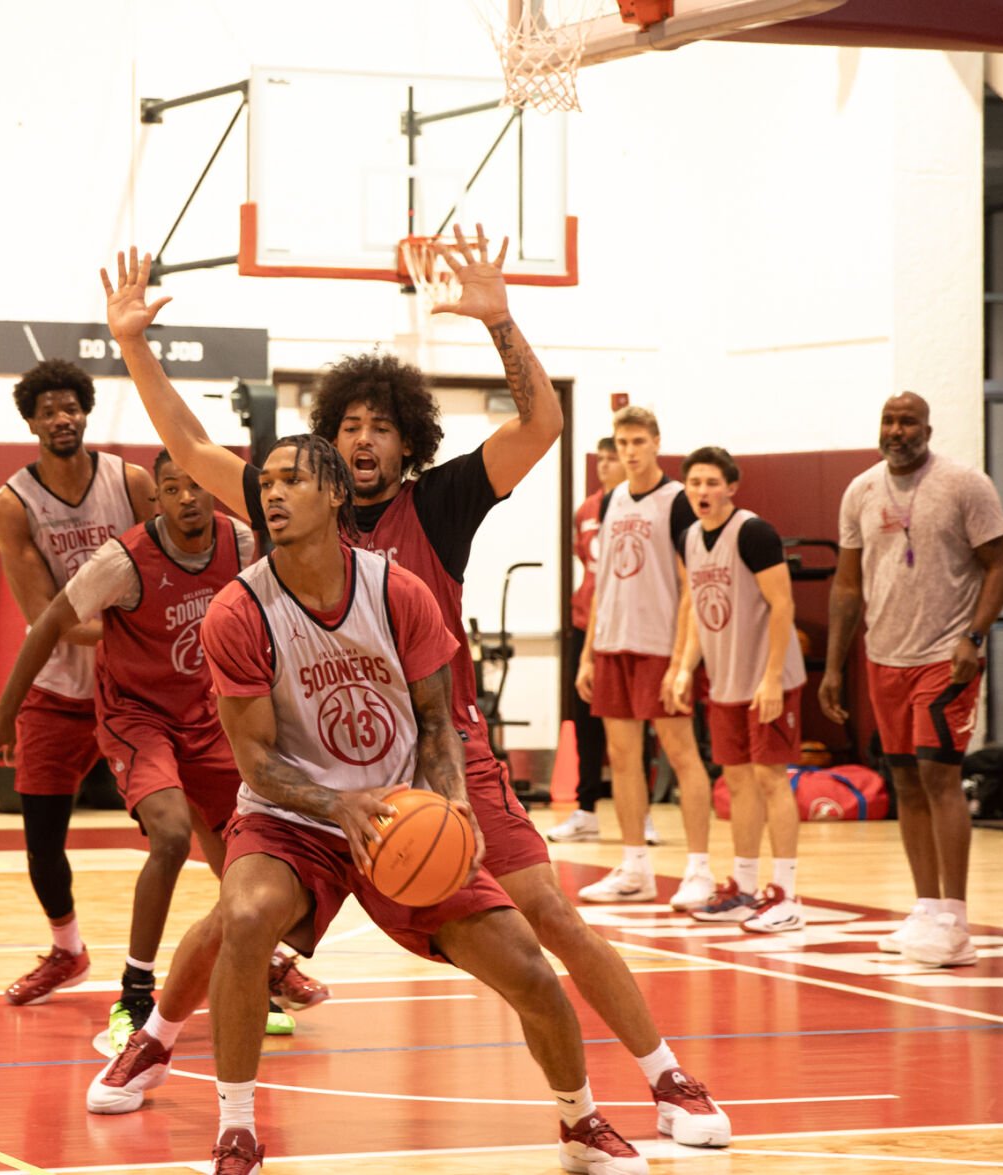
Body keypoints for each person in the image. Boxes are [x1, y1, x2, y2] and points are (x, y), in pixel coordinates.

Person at [94, 238, 729, 1149]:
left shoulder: (440, 504)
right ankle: (154, 1041)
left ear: (408, 441)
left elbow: (540, 424)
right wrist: (132, 343)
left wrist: (499, 320)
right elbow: (191, 446)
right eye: (349, 424)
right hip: (318, 770)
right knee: (234, 917)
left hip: (439, 755)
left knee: (549, 914)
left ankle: (666, 1074)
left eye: (381, 426)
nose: (363, 438)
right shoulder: (290, 498)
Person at [210, 435, 647, 1175]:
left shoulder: (396, 591)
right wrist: (335, 803)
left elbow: (437, 722)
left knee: (529, 968)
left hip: (398, 811)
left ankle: (580, 1121)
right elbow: (254, 759)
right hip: (293, 818)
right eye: (267, 483)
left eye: (291, 480)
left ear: (335, 494)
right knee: (245, 918)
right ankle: (237, 1129)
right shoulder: (239, 609)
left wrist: (452, 800)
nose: (271, 493)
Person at [0, 453, 319, 1045]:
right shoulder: (124, 560)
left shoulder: (241, 543)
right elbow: (49, 622)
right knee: (172, 835)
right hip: (137, 718)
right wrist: (4, 712)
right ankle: (133, 994)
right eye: (171, 489)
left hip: (205, 714)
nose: (186, 498)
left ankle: (253, 974)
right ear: (156, 498)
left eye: (195, 486)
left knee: (251, 847)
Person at [821, 392, 1003, 967]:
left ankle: (956, 919)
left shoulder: (965, 484)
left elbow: (1001, 567)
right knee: (904, 780)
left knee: (938, 775)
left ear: (927, 429)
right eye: (889, 420)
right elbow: (847, 585)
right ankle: (927, 907)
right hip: (885, 656)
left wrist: (973, 637)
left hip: (944, 655)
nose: (896, 430)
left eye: (908, 421)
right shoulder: (860, 490)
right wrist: (833, 666)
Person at [0, 358, 156, 1006]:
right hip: (58, 689)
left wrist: (143, 641)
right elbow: (44, 617)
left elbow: (160, 575)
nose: (62, 418)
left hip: (136, 689)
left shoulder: (130, 481)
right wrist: (130, 631)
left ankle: (266, 958)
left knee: (206, 827)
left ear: (85, 412)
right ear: (31, 422)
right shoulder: (11, 503)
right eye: (48, 410)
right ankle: (67, 950)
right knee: (41, 841)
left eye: (70, 407)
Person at [576, 405, 718, 911]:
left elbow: (691, 584)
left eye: (638, 442)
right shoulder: (611, 500)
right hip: (612, 643)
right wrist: (588, 654)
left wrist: (682, 662)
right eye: (622, 443)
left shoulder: (677, 500)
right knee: (621, 758)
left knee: (681, 753)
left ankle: (699, 869)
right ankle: (635, 866)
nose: (630, 452)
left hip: (659, 644)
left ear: (656, 442)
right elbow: (602, 583)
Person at [669, 448, 807, 933]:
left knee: (771, 778)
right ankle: (745, 888)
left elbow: (783, 604)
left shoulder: (754, 533)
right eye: (694, 483)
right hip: (725, 679)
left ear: (731, 487)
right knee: (738, 781)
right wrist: (683, 668)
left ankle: (787, 894)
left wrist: (772, 677)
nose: (702, 491)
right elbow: (694, 607)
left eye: (711, 482)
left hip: (768, 678)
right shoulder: (689, 537)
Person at [549, 434, 634, 844]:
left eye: (611, 458)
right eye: (600, 458)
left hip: (629, 625)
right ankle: (586, 810)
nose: (604, 465)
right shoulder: (586, 510)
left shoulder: (639, 506)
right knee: (585, 721)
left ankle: (641, 814)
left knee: (632, 723)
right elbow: (587, 562)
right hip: (587, 622)